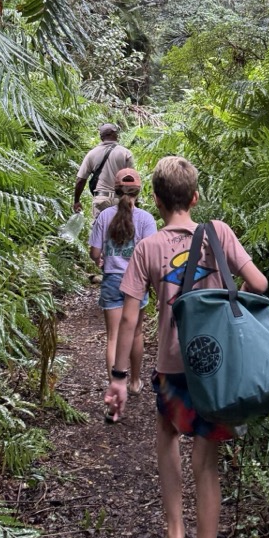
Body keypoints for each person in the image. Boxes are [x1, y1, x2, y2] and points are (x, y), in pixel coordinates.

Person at [104, 155, 267, 538]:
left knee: (167, 433)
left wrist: (119, 377)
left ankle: (175, 535)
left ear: (156, 201)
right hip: (217, 370)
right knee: (208, 462)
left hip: (174, 366)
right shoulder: (221, 234)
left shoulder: (148, 248)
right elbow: (259, 283)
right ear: (195, 197)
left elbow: (130, 321)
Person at [89, 167, 157, 396]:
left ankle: (115, 387)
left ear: (115, 191)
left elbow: (95, 252)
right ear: (138, 191)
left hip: (111, 281)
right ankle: (135, 382)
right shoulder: (147, 219)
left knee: (114, 337)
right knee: (137, 333)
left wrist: (102, 260)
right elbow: (150, 255)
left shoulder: (104, 216)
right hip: (137, 282)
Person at [73, 123, 135, 219]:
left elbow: (80, 180)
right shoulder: (125, 153)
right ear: (114, 134)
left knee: (100, 231)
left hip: (101, 200)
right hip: (120, 200)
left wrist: (76, 201)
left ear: (101, 137)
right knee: (119, 232)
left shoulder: (92, 154)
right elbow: (131, 180)